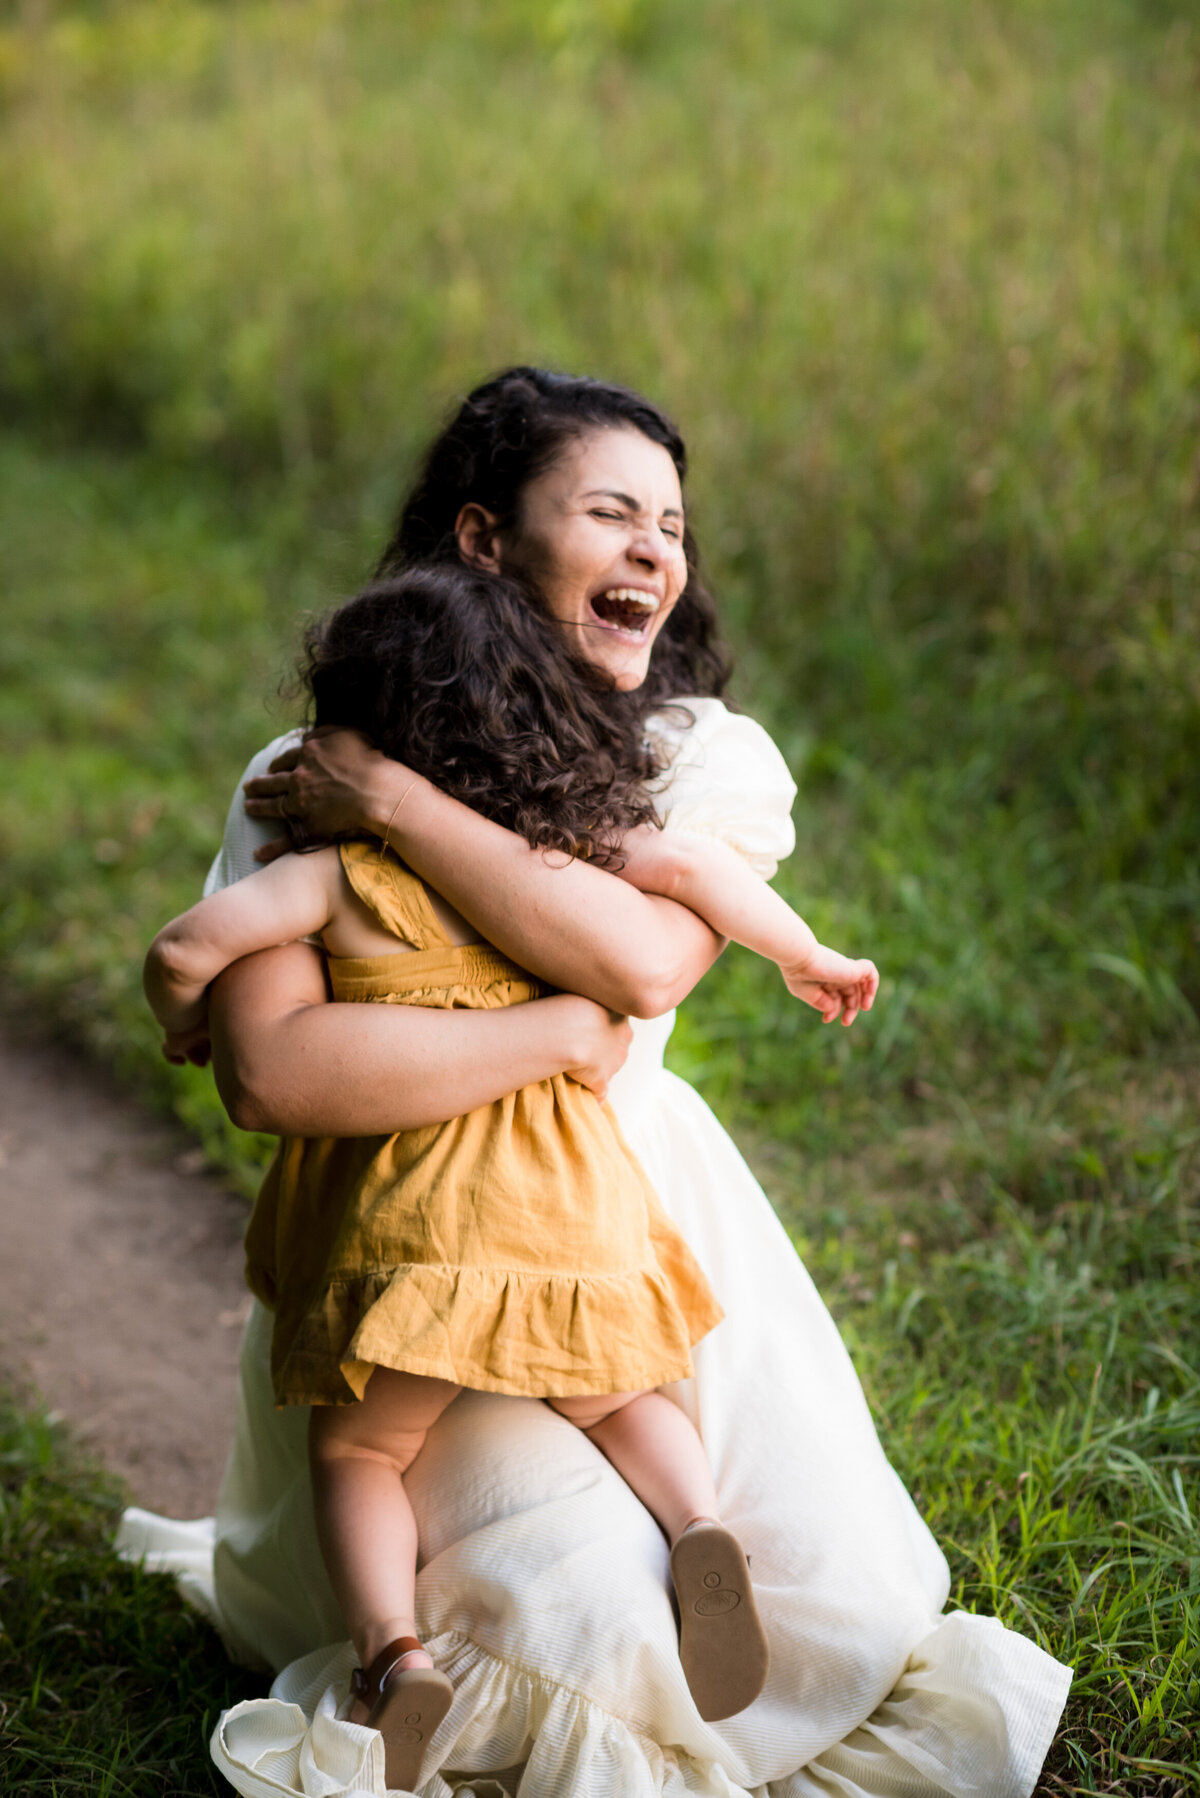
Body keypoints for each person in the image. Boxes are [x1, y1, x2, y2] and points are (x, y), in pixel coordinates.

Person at [119, 368, 1070, 1797]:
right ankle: (446, 1638)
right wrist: (555, 1037)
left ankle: (419, 1644)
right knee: (583, 1629)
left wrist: (393, 803)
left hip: (623, 1222)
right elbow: (276, 1071)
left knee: (834, 1604)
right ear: (486, 541)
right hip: (410, 1260)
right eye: (612, 513)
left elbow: (637, 967)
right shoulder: (302, 771)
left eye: (673, 526)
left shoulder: (681, 760)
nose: (656, 552)